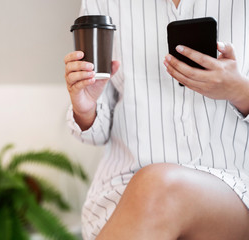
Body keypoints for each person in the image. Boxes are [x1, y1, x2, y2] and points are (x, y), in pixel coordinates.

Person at [64, 0, 249, 239]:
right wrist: (84, 107)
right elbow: (96, 132)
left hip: (236, 191)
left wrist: (240, 91)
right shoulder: (104, 3)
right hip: (123, 193)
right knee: (153, 189)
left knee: (158, 186)